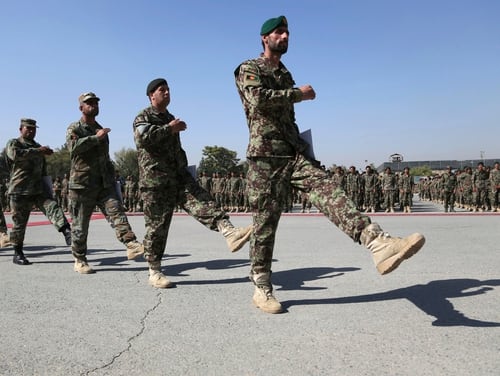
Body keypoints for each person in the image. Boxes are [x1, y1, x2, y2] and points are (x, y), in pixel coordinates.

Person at [234, 15, 425, 314]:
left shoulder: (284, 72)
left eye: (287, 33)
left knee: (330, 190)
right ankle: (261, 286)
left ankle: (377, 243)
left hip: (294, 153)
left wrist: (305, 150)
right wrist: (299, 94)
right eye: (278, 33)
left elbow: (288, 119)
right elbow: (258, 100)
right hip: (265, 158)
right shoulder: (249, 68)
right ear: (264, 38)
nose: (284, 37)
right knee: (265, 224)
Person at [132, 78, 252, 288]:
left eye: (169, 89)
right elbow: (143, 139)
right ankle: (154, 270)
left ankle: (229, 232)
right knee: (157, 227)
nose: (167, 93)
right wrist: (170, 128)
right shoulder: (144, 117)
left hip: (178, 176)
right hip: (155, 181)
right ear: (152, 95)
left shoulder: (169, 117)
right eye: (162, 90)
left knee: (202, 200)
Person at [66, 92, 145, 274]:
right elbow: (73, 148)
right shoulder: (75, 128)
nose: (93, 105)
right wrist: (96, 138)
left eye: (95, 103)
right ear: (81, 108)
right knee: (80, 225)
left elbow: (105, 158)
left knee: (117, 212)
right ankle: (79, 258)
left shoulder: (101, 129)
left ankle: (131, 244)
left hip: (103, 184)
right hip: (81, 185)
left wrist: (113, 176)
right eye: (89, 103)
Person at [5, 118, 72, 265]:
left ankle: (67, 232)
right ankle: (18, 253)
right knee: (19, 224)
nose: (31, 131)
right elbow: (14, 155)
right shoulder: (14, 143)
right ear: (20, 129)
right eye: (28, 128)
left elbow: (43, 170)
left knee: (53, 207)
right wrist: (38, 151)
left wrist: (48, 187)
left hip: (38, 190)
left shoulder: (38, 147)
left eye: (34, 129)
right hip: (19, 191)